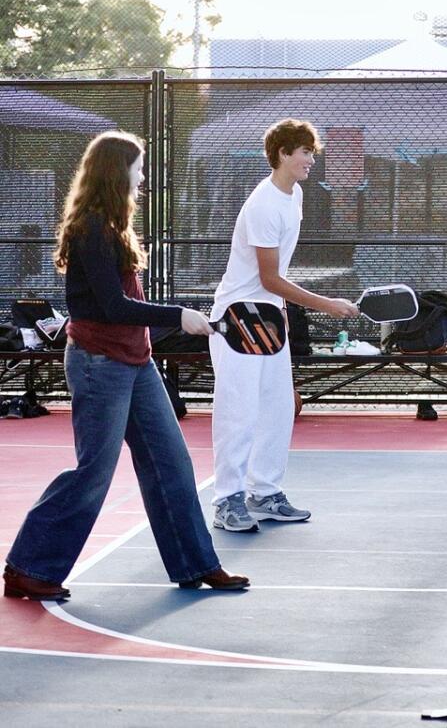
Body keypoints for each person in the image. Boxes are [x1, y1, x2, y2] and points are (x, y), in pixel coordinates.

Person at [3, 131, 248, 601]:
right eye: (139, 167)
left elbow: (125, 305)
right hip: (99, 365)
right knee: (95, 470)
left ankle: (197, 564)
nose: (144, 176)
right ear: (118, 171)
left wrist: (175, 316)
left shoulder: (113, 226)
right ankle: (28, 566)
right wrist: (178, 315)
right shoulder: (92, 229)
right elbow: (113, 307)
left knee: (171, 463)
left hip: (134, 362)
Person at [209, 119, 358, 533]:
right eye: (305, 152)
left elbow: (273, 287)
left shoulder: (295, 195)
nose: (312, 159)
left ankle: (264, 492)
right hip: (238, 316)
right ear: (282, 155)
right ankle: (227, 500)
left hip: (270, 317)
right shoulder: (263, 205)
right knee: (238, 412)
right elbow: (269, 277)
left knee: (278, 408)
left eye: (312, 151)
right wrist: (326, 304)